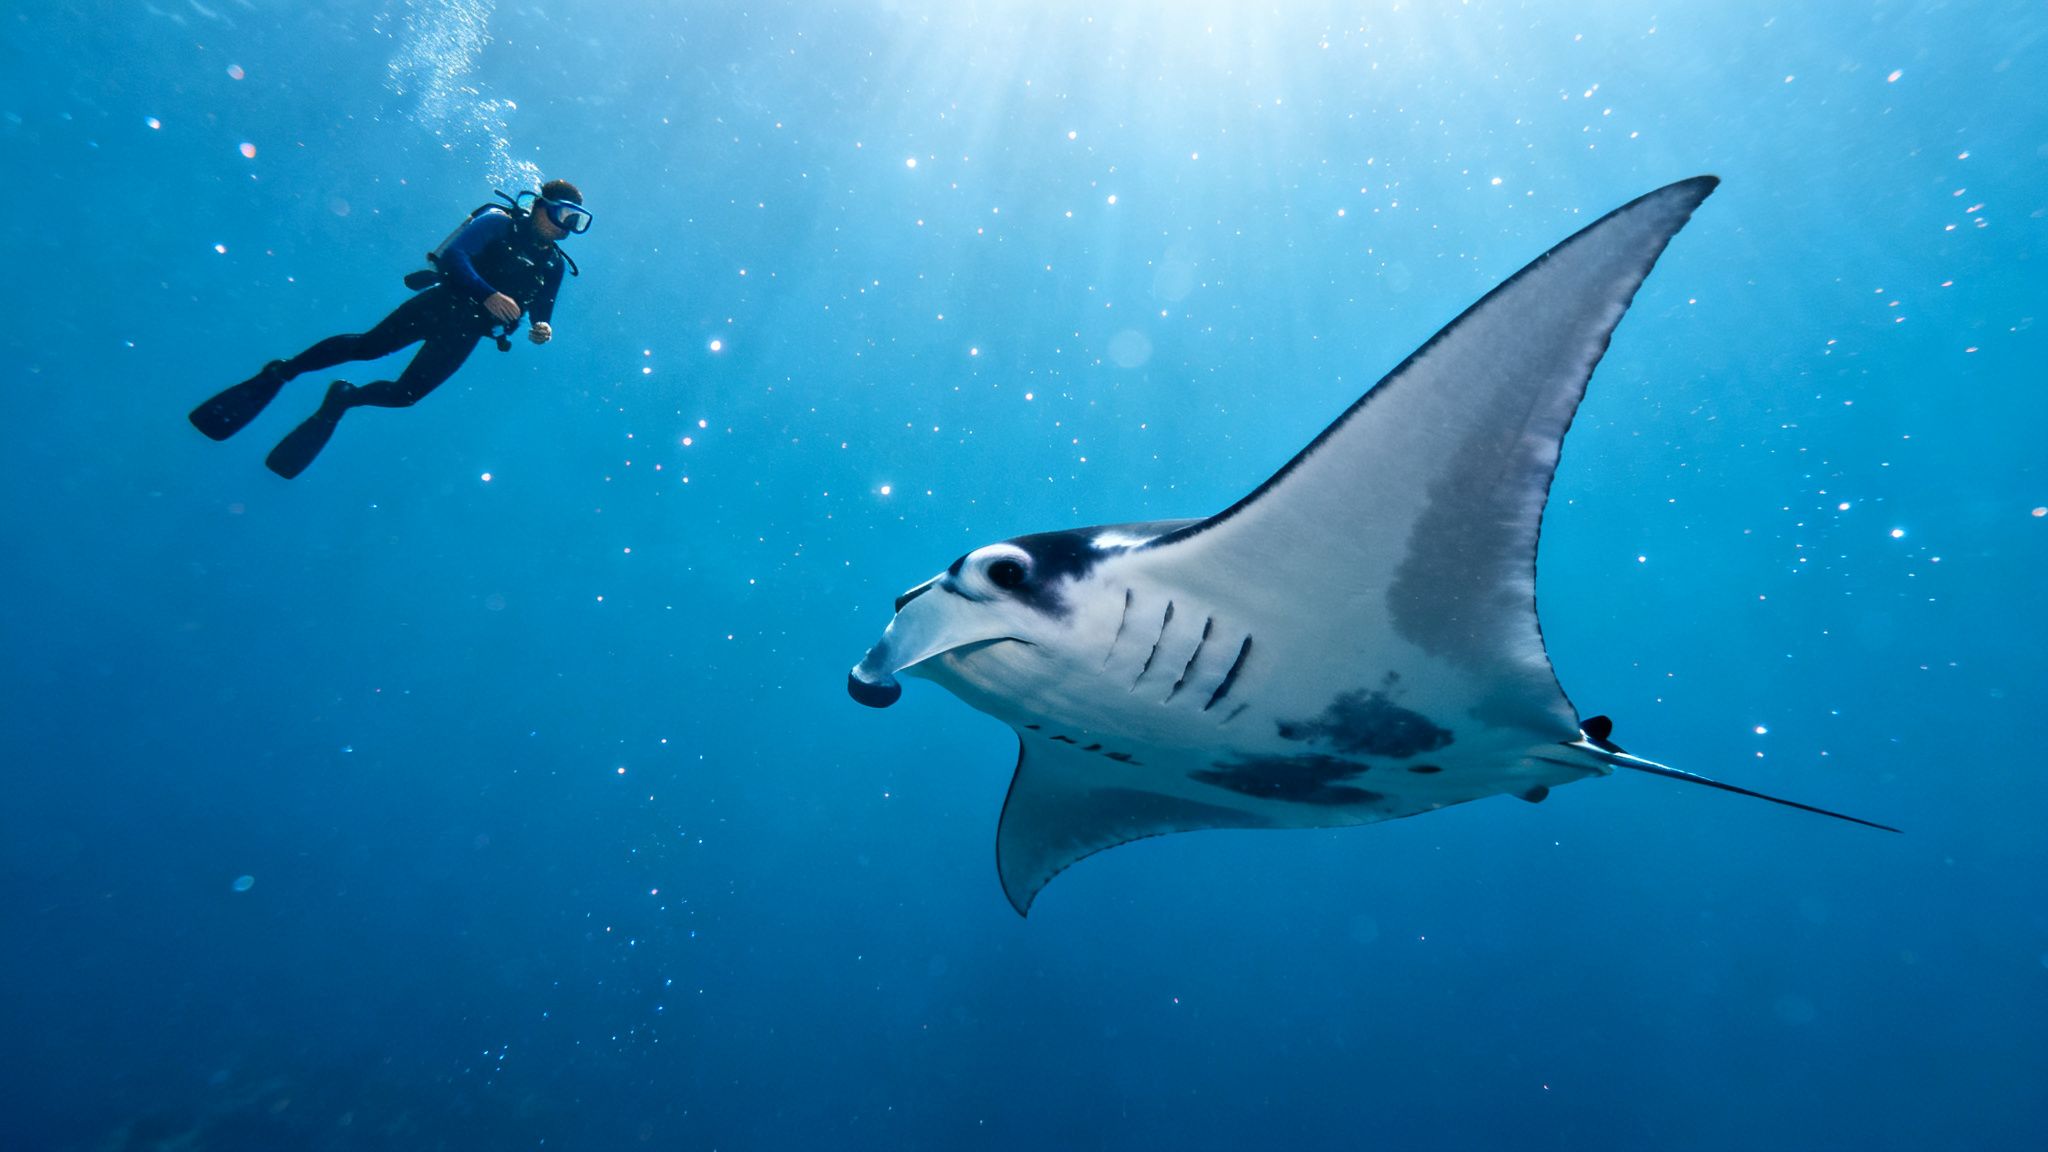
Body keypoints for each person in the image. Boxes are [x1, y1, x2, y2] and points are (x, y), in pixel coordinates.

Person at [189, 179, 591, 478]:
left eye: (576, 221)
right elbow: (456, 255)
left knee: (406, 396)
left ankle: (344, 399)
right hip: (442, 304)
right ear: (540, 206)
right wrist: (487, 293)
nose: (566, 227)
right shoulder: (498, 224)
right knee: (368, 347)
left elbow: (543, 309)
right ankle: (283, 371)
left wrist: (541, 328)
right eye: (562, 215)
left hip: (467, 333)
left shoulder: (553, 265)